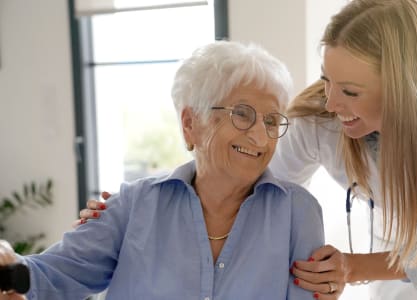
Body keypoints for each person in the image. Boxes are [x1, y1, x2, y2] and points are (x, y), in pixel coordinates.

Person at [77, 0, 417, 299]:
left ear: (403, 89)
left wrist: (351, 266)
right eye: (326, 80)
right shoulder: (317, 118)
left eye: (352, 92)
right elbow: (240, 177)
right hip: (406, 245)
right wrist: (140, 204)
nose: (332, 103)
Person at [0, 41, 326, 299]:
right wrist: (9, 265)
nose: (260, 136)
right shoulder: (132, 205)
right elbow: (51, 276)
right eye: (242, 114)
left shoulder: (299, 214)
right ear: (190, 123)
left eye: (271, 120)